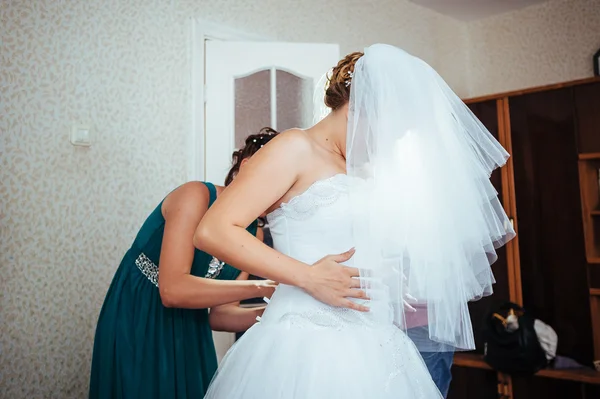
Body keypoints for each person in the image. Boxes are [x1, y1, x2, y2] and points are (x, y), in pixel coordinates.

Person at [196, 44, 515, 398]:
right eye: (389, 132)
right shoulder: (294, 148)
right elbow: (214, 230)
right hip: (303, 343)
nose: (388, 145)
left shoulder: (361, 169)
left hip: (375, 341)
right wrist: (308, 276)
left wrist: (386, 273)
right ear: (357, 110)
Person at [89, 128, 282, 399]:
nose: (279, 194)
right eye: (277, 180)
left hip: (191, 328)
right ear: (247, 166)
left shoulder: (254, 233)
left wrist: (279, 314)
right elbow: (173, 290)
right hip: (140, 314)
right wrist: (262, 287)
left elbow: (221, 315)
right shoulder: (195, 196)